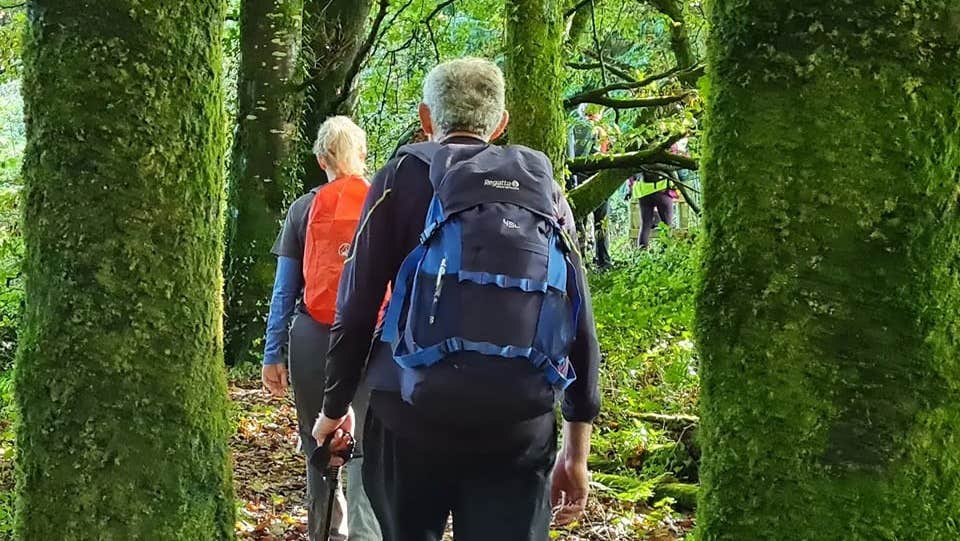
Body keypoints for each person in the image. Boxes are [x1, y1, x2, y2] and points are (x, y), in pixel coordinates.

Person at [312, 58, 601, 541]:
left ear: (427, 120)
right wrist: (576, 454)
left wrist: (334, 407)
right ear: (501, 124)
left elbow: (356, 307)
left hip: (408, 416)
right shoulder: (541, 188)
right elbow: (579, 318)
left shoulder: (399, 177)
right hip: (518, 423)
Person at [261, 116, 382, 541]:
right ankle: (369, 535)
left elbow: (285, 291)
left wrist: (272, 352)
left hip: (314, 339)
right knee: (368, 444)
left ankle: (327, 532)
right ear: (364, 156)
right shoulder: (383, 203)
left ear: (320, 160)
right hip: (374, 338)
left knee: (319, 442)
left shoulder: (302, 210)